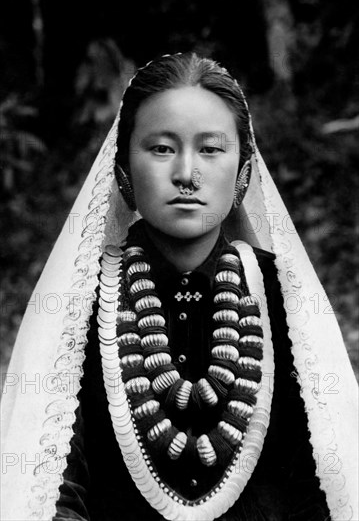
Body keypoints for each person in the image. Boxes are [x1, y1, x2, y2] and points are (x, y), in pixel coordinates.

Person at [1, 53, 358, 521]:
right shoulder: (81, 304)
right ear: (123, 167)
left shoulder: (281, 297)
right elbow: (55, 486)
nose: (187, 174)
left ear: (243, 170)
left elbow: (323, 482)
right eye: (162, 148)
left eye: (210, 149)